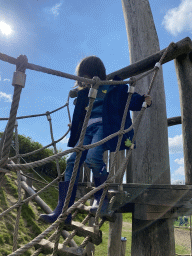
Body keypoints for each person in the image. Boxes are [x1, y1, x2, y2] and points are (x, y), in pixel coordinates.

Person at [40, 56, 152, 224]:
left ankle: (101, 197)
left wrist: (143, 100)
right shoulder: (84, 93)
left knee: (93, 157)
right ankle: (63, 211)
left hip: (103, 127)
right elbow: (82, 114)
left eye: (85, 75)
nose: (83, 80)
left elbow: (128, 99)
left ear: (95, 74)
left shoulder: (113, 87)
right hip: (86, 129)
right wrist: (75, 125)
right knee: (72, 161)